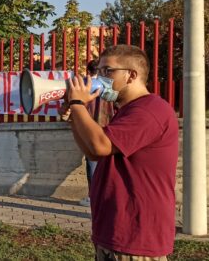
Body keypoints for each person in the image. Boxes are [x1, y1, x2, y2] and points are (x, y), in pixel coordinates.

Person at [63, 45, 178, 260]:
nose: (100, 77)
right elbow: (94, 153)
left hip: (135, 238)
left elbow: (100, 145)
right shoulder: (127, 111)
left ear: (131, 75)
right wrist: (73, 116)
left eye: (108, 71)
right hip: (114, 232)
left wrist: (77, 103)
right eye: (98, 71)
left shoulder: (149, 109)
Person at [78, 59, 113, 208]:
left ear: (89, 70)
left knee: (92, 163)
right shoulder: (108, 85)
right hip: (108, 125)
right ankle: (106, 195)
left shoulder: (84, 85)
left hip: (90, 126)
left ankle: (93, 196)